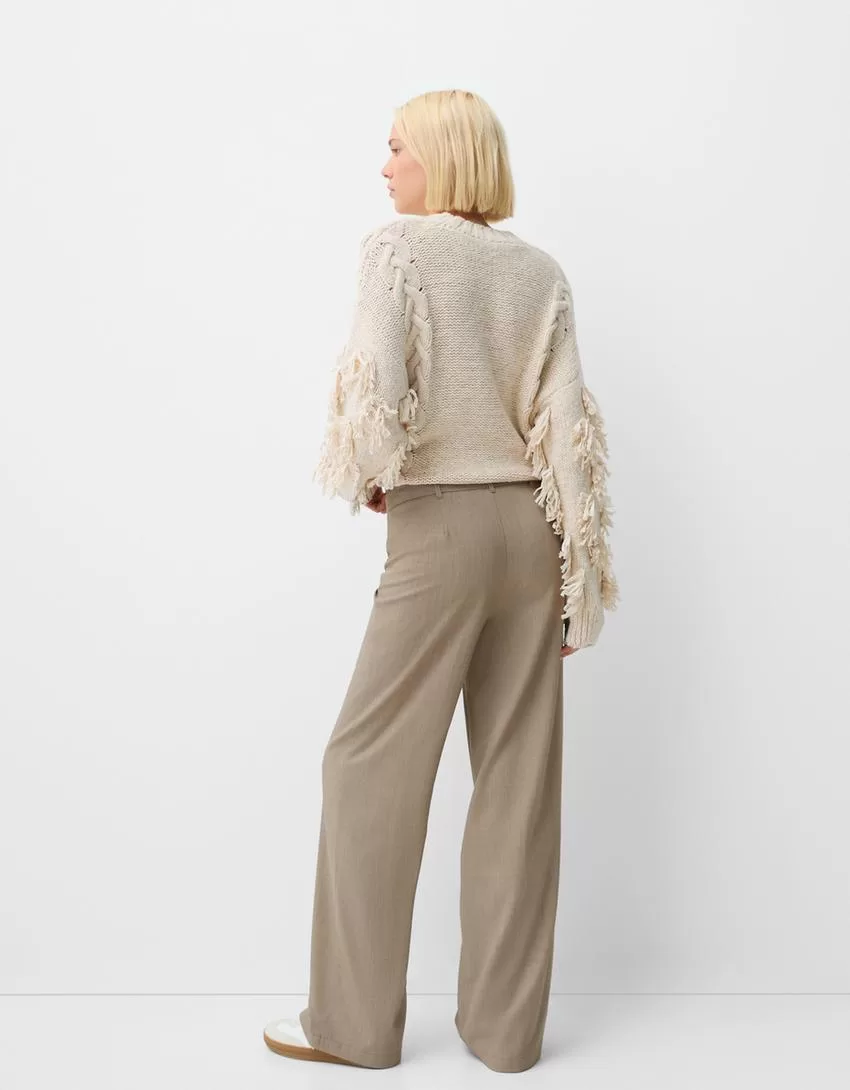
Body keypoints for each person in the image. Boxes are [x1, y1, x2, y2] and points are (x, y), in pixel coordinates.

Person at [263, 88, 619, 1073]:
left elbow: (377, 380)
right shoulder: (540, 272)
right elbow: (567, 431)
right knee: (517, 780)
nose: (384, 167)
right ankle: (505, 1036)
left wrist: (370, 474)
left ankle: (352, 1026)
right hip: (533, 533)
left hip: (441, 530)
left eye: (396, 148)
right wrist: (579, 578)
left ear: (440, 157)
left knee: (366, 763)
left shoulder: (398, 250)